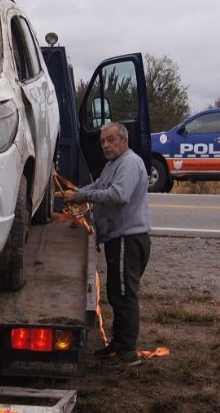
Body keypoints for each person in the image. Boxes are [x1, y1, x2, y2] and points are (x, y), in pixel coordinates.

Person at [65, 122, 151, 366]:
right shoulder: (113, 164)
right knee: (116, 293)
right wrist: (77, 192)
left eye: (111, 140)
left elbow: (118, 195)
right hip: (118, 239)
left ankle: (128, 352)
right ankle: (118, 343)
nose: (106, 145)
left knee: (124, 294)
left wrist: (85, 196)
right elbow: (99, 186)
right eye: (103, 141)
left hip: (128, 239)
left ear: (125, 141)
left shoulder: (130, 163)